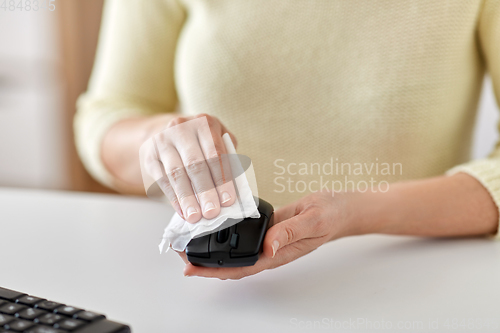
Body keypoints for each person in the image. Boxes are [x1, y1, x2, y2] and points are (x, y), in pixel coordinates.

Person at [75, 0, 500, 280]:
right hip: (207, 296)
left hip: (412, 274)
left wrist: (353, 214)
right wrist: (155, 143)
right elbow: (106, 116)